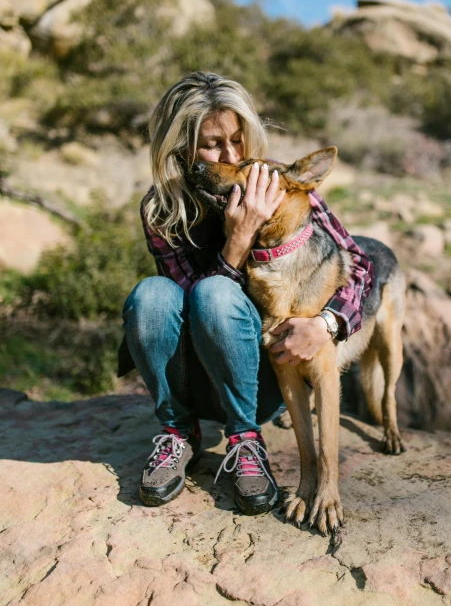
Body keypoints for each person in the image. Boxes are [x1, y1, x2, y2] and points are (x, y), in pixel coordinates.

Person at [118, 71, 374, 515]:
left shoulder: (281, 190)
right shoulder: (161, 209)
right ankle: (178, 434)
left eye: (238, 140)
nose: (230, 155)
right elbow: (193, 308)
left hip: (258, 384)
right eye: (212, 144)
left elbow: (360, 266)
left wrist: (327, 323)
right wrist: (238, 242)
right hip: (194, 380)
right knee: (153, 296)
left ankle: (245, 440)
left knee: (215, 294)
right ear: (180, 148)